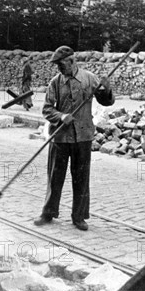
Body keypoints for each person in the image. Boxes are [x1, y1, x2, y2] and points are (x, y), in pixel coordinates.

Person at [33, 45, 115, 231]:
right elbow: (47, 109)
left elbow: (106, 101)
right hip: (61, 137)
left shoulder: (90, 79)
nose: (59, 69)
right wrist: (61, 116)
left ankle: (79, 217)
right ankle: (48, 212)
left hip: (83, 136)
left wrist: (107, 89)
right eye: (57, 66)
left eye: (61, 65)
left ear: (72, 61)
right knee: (55, 177)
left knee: (81, 178)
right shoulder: (55, 82)